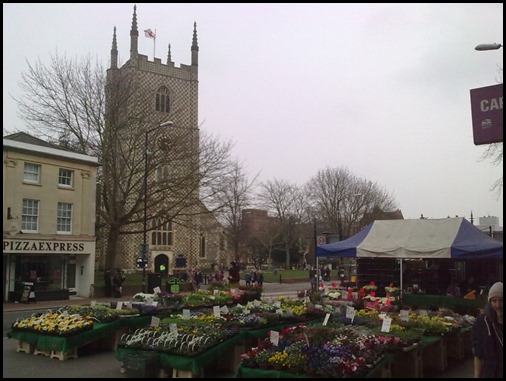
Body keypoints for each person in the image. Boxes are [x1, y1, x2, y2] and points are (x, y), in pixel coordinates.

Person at [472, 281, 503, 378]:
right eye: (494, 301)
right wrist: (477, 376)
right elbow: (478, 354)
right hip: (490, 373)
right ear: (489, 302)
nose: (498, 305)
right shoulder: (482, 322)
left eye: (502, 300)